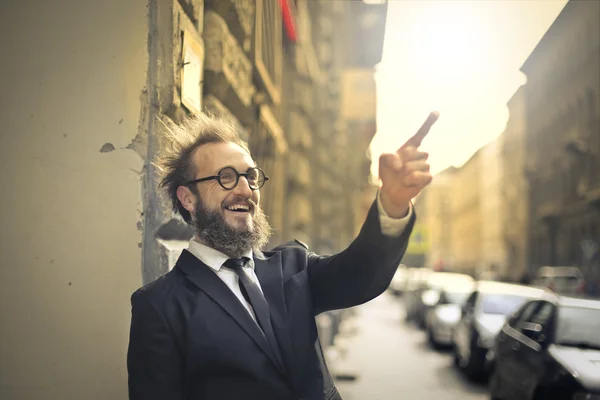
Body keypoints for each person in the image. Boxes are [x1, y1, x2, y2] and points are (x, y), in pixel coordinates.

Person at [127, 111, 439, 400]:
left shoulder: (293, 265)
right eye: (225, 177)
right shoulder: (159, 306)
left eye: (251, 177)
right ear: (188, 198)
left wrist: (393, 204)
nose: (245, 190)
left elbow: (361, 276)